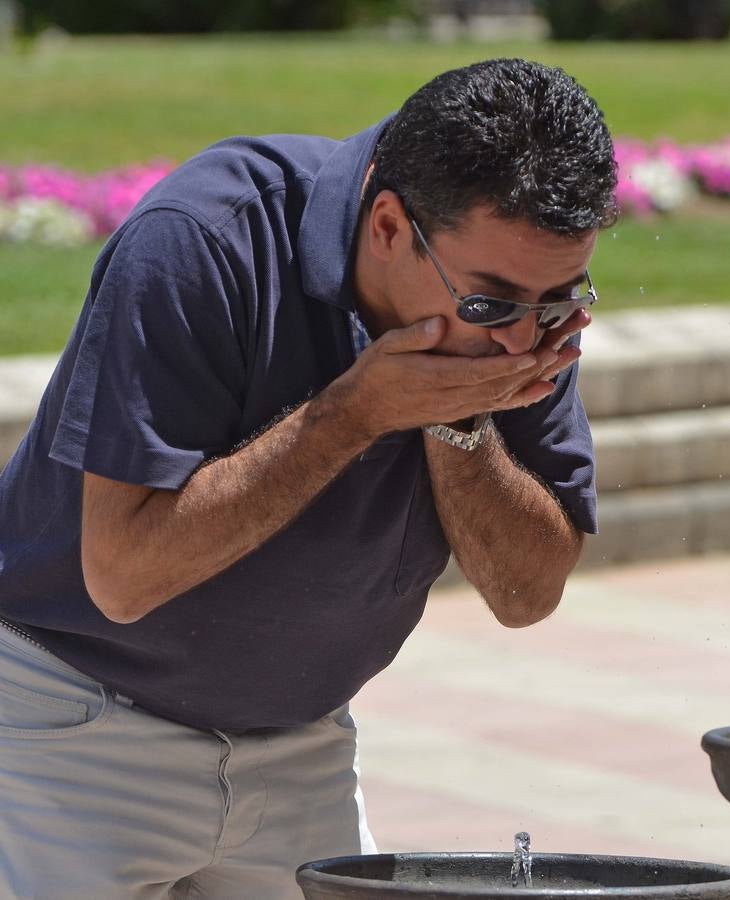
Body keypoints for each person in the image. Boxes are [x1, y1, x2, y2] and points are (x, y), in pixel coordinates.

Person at [0, 57, 617, 898]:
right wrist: (354, 413)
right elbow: (123, 576)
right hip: (72, 731)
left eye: (557, 301)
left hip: (303, 743)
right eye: (490, 304)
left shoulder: (520, 320)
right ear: (391, 226)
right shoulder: (204, 238)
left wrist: (457, 421)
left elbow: (526, 595)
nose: (520, 342)